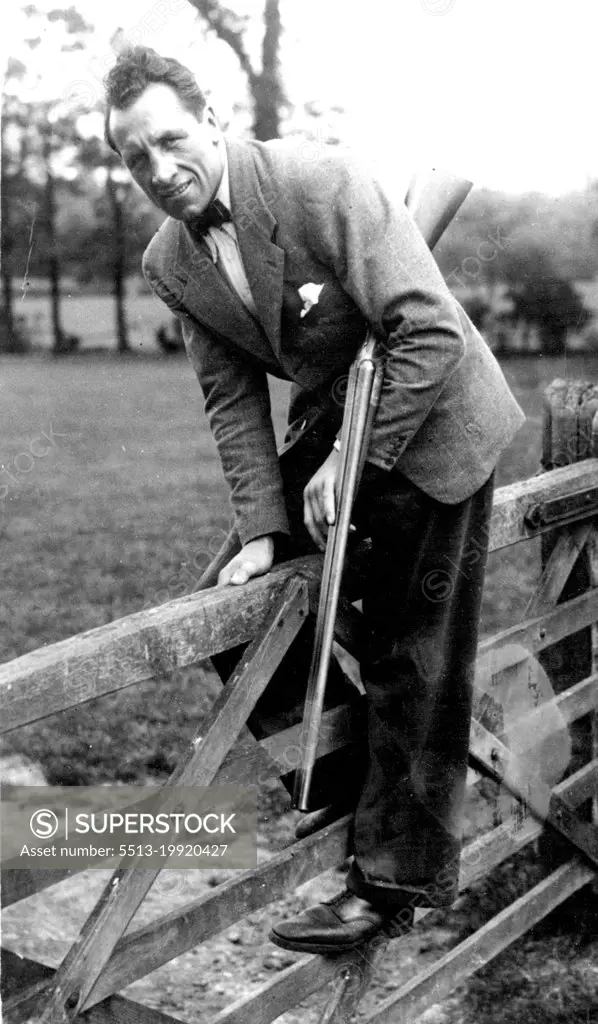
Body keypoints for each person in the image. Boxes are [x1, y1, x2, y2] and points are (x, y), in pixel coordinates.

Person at [104, 46, 525, 954]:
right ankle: (344, 775)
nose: (159, 169)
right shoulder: (168, 259)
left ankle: (391, 881)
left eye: (171, 139)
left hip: (437, 413)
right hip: (341, 415)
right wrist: (261, 528)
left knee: (411, 650)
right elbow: (230, 397)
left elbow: (429, 331)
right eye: (134, 157)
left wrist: (353, 460)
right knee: (228, 611)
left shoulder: (318, 179)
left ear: (211, 118)